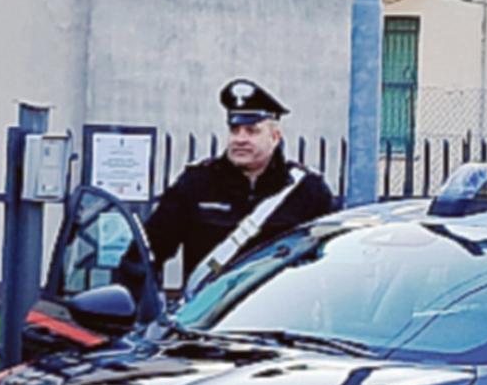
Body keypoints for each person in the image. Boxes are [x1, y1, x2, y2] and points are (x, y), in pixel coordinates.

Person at [116, 78, 336, 299]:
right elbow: (144, 256)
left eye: (252, 131)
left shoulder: (307, 191)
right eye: (234, 130)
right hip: (211, 313)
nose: (240, 139)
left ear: (275, 137)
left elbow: (328, 262)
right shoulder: (196, 184)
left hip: (277, 311)